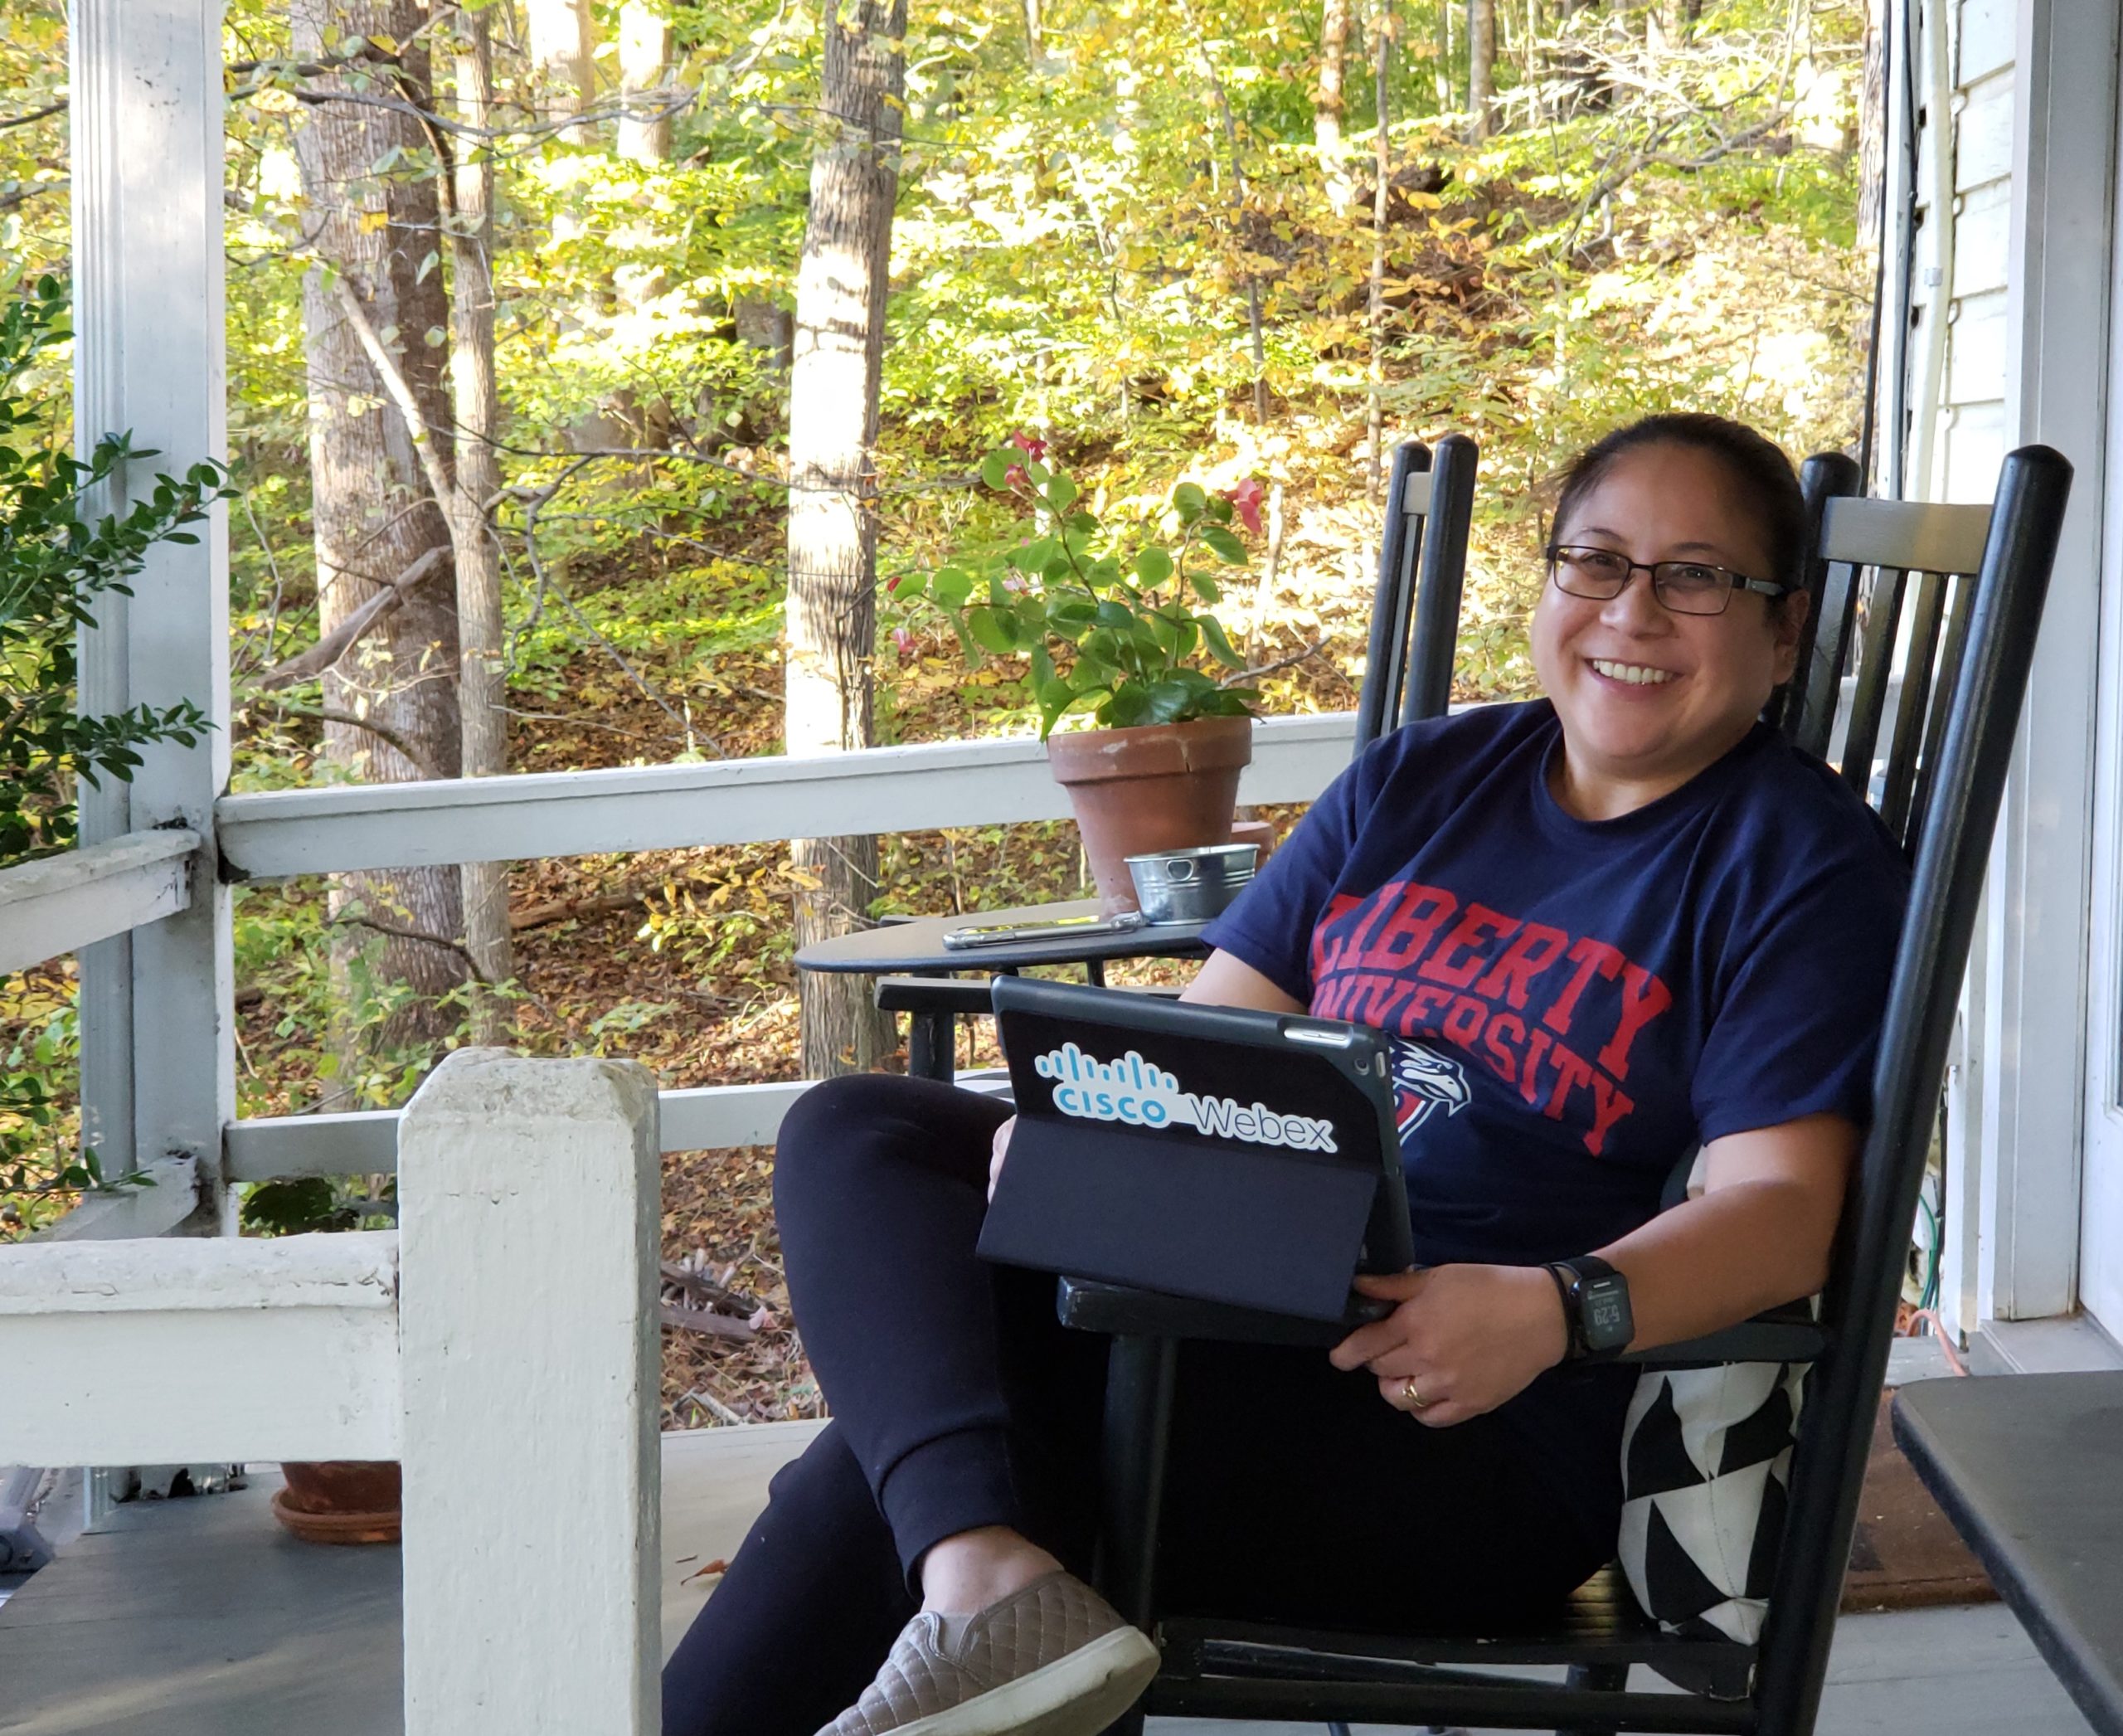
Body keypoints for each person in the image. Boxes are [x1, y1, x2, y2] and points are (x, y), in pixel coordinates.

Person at [661, 413, 1909, 1736]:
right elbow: (1208, 1050)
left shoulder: (1796, 861)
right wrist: (1087, 1130)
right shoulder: (1427, 778)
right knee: (862, 1130)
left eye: (1697, 576)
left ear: (1784, 632)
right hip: (1244, 1302)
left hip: (1459, 1425)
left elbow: (1782, 1214)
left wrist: (1557, 1309)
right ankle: (986, 1579)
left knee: (937, 1441)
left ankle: (984, 1581)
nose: (1632, 612)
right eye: (1596, 561)